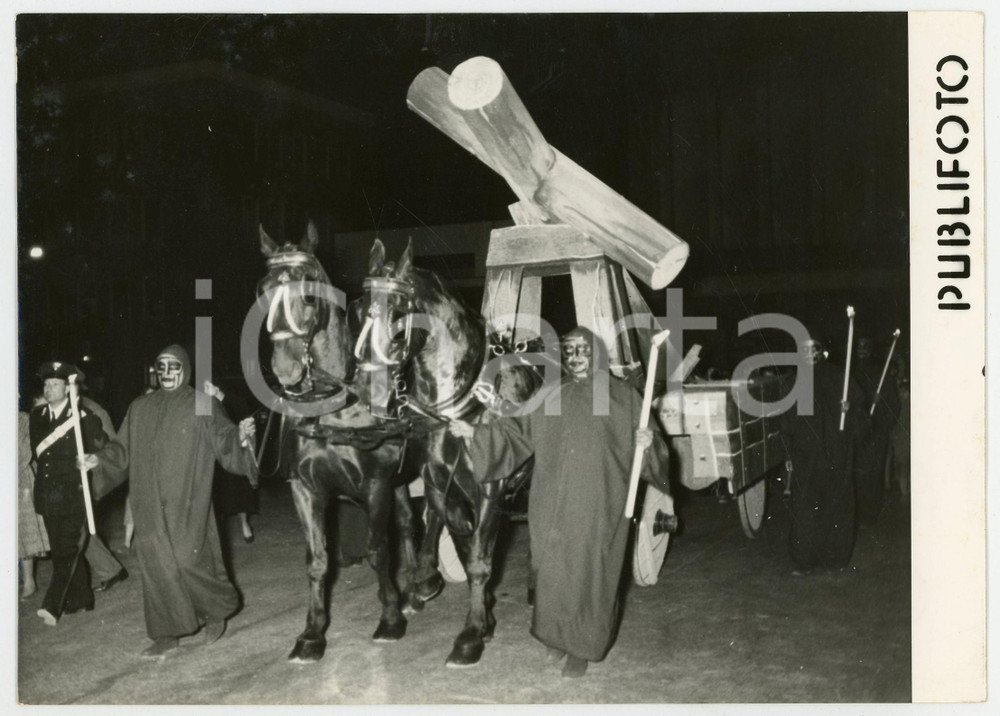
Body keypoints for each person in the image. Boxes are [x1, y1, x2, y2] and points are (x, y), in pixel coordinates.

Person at [449, 326, 670, 678]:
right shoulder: (550, 393)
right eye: (569, 351)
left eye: (583, 349)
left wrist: (648, 443)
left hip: (600, 501)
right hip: (551, 498)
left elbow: (653, 452)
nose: (576, 356)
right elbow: (515, 431)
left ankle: (584, 647)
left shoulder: (623, 396)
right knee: (551, 570)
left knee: (590, 573)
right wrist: (475, 433)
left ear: (595, 353)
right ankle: (556, 636)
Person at [82, 344, 257, 659]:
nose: (165, 373)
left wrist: (242, 437)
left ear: (185, 370)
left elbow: (225, 438)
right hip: (148, 499)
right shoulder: (140, 408)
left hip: (188, 498)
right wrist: (98, 461)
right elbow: (120, 449)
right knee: (157, 567)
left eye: (173, 367)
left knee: (189, 559)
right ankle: (167, 633)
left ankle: (216, 611)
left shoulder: (202, 405)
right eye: (160, 367)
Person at [783, 337, 868, 576]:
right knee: (804, 508)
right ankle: (804, 561)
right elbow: (785, 423)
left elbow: (862, 420)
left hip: (836, 452)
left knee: (837, 505)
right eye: (805, 349)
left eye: (814, 348)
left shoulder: (841, 379)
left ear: (823, 351)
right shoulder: (793, 382)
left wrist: (849, 410)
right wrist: (788, 452)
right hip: (805, 455)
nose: (809, 353)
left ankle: (835, 558)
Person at [29, 361, 105, 625]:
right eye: (46, 385)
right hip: (48, 494)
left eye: (55, 384)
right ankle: (82, 598)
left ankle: (52, 605)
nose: (49, 389)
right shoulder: (37, 417)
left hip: (73, 493)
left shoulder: (83, 417)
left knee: (66, 550)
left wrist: (92, 455)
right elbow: (39, 451)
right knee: (63, 548)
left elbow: (101, 445)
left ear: (67, 388)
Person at [76, 384, 129, 592]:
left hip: (90, 474)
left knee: (78, 527)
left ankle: (109, 571)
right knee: (78, 527)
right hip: (68, 475)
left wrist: (96, 461)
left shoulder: (94, 410)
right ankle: (111, 571)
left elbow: (112, 444)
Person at [852, 336, 899, 521]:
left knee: (872, 473)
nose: (862, 349)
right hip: (855, 431)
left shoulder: (882, 374)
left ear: (871, 350)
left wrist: (881, 403)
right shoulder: (850, 372)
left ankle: (870, 513)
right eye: (859, 346)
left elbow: (894, 404)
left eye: (866, 346)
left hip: (875, 431)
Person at [205, 380, 259, 544]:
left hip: (235, 452)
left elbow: (242, 414)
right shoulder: (203, 404)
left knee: (240, 491)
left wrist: (219, 396)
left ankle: (244, 524)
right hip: (216, 455)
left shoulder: (233, 401)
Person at [18, 397, 50, 600]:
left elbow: (25, 451)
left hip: (20, 480)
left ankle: (29, 581)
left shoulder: (22, 420)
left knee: (23, 531)